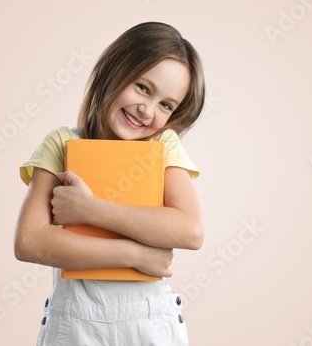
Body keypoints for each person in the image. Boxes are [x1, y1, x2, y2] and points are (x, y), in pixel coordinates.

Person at [14, 22, 206, 345]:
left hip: (150, 322)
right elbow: (29, 241)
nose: (147, 110)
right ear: (114, 69)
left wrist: (91, 209)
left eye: (166, 105)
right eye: (143, 87)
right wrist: (133, 255)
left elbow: (190, 230)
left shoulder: (163, 148)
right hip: (75, 325)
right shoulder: (62, 143)